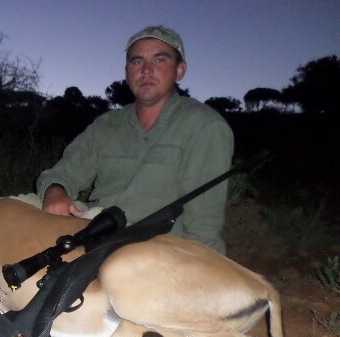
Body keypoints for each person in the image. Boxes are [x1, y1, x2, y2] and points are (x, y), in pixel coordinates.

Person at [36, 25, 233, 254]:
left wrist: (201, 272)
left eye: (160, 60)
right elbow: (62, 173)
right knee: (14, 210)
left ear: (180, 71)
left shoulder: (205, 126)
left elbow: (204, 227)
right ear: (127, 71)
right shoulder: (106, 124)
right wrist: (56, 191)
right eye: (137, 61)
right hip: (94, 227)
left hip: (156, 247)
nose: (146, 71)